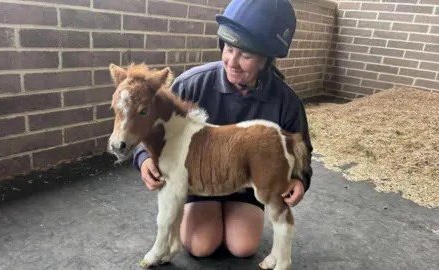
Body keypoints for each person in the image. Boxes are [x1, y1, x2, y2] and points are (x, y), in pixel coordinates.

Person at [132, 0, 313, 259]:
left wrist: (300, 179)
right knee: (201, 246)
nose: (232, 61)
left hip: (248, 183)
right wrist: (143, 158)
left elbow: (302, 147)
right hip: (198, 181)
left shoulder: (287, 101)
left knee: (243, 247)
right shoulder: (190, 84)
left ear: (267, 60)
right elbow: (150, 123)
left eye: (246, 55)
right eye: (229, 48)